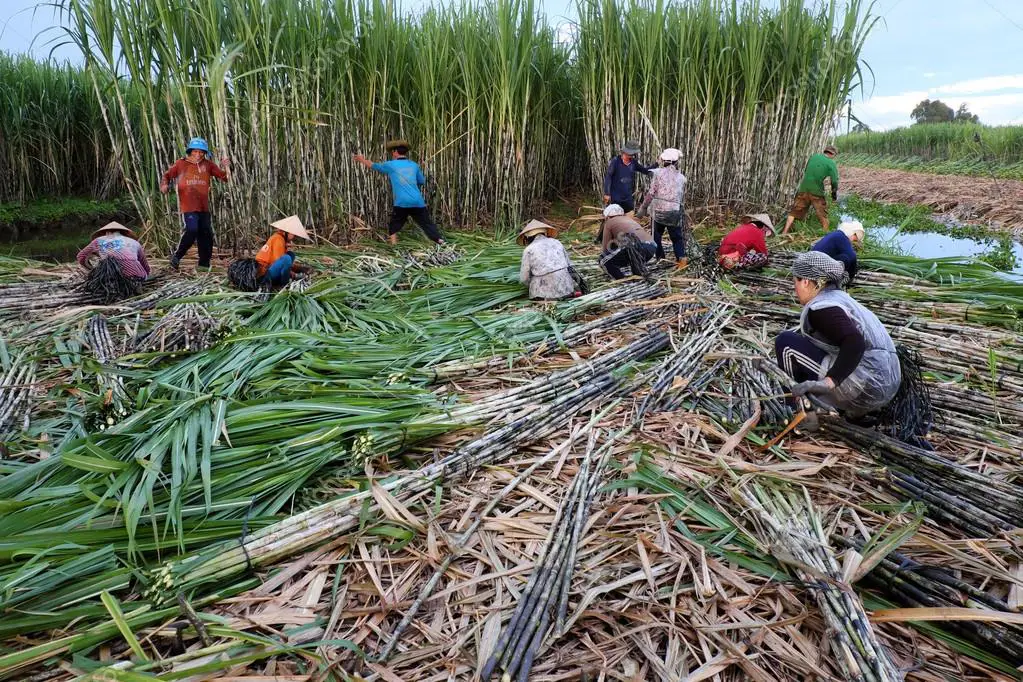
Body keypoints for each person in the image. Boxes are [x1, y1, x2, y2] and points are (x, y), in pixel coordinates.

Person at [775, 251, 900, 419]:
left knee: (786, 343)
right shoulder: (841, 299)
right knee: (800, 338)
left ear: (805, 282)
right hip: (887, 385)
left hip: (865, 387)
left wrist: (830, 382)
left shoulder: (822, 308)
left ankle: (797, 411)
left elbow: (855, 342)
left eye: (795, 282)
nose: (795, 289)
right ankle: (842, 409)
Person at [353, 140, 445, 246]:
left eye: (392, 152)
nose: (392, 154)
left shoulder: (391, 165)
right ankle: (439, 241)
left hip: (402, 202)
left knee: (395, 224)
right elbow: (421, 181)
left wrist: (361, 160)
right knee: (426, 223)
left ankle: (394, 245)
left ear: (396, 152)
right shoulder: (414, 165)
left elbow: (374, 166)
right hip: (417, 201)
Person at [161, 137, 230, 271]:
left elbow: (225, 178)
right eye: (195, 152)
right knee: (192, 229)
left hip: (204, 207)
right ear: (190, 151)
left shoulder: (208, 165)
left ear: (205, 153)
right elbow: (167, 175)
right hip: (189, 206)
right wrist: (164, 185)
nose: (198, 155)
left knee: (206, 233)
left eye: (201, 152)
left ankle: (204, 264)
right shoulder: (181, 164)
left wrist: (227, 166)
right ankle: (176, 257)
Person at [637, 148, 687, 267]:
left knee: (656, 237)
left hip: (659, 211)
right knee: (677, 238)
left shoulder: (658, 174)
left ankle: (660, 258)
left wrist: (643, 208)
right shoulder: (681, 178)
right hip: (674, 212)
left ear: (663, 161)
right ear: (676, 162)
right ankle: (682, 260)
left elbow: (651, 193)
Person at [781, 145, 839, 234]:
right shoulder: (831, 163)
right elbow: (834, 181)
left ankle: (784, 233)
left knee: (794, 212)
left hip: (803, 188)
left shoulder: (813, 157)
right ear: (833, 154)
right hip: (816, 191)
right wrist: (834, 196)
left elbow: (807, 170)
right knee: (823, 215)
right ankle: (824, 236)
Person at [517, 220, 577, 300]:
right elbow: (569, 265)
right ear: (545, 233)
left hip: (544, 294)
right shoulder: (557, 242)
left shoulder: (529, 249)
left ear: (528, 237)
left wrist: (528, 285)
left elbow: (524, 278)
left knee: (534, 280)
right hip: (567, 289)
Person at [598, 204, 656, 280]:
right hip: (651, 248)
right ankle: (639, 278)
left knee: (603, 260)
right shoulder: (629, 219)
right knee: (630, 253)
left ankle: (622, 281)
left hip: (636, 247)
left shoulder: (609, 222)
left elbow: (606, 248)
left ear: (607, 216)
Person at [77, 222, 150, 280]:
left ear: (107, 232)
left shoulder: (99, 240)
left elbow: (81, 256)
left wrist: (92, 270)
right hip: (138, 276)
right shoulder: (135, 242)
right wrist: (147, 273)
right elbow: (145, 265)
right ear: (122, 233)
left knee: (106, 268)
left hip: (110, 277)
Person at [255, 215, 313, 287]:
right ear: (286, 232)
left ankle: (287, 277)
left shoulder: (279, 238)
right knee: (287, 258)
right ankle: (284, 285)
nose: (294, 236)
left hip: (268, 270)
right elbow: (278, 261)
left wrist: (301, 268)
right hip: (264, 275)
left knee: (290, 254)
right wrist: (294, 274)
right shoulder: (278, 239)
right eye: (293, 234)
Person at [602, 141, 652, 214]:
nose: (632, 155)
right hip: (616, 197)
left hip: (628, 197)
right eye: (631, 154)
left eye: (633, 154)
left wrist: (656, 164)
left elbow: (645, 171)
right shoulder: (616, 161)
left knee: (629, 216)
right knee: (616, 217)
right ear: (625, 152)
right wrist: (607, 193)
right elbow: (608, 176)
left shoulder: (633, 163)